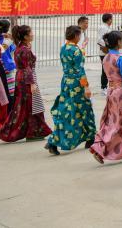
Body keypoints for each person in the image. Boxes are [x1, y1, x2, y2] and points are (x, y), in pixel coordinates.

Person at [0, 25, 52, 142]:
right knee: (32, 106)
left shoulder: (20, 47)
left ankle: (9, 130)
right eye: (30, 32)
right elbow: (27, 68)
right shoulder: (25, 50)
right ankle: (33, 132)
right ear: (25, 36)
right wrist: (32, 84)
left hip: (20, 78)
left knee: (21, 106)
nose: (33, 34)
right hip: (27, 79)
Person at [44, 25, 96, 155]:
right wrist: (86, 86)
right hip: (77, 85)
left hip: (66, 83)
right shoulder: (76, 51)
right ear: (76, 36)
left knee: (66, 110)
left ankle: (89, 137)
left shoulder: (64, 48)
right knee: (84, 110)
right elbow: (80, 70)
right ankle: (55, 140)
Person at [90, 31, 122, 164]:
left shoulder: (106, 57)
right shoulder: (121, 59)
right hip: (121, 92)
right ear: (118, 42)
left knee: (112, 122)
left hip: (111, 91)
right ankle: (103, 149)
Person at [0, 19, 16, 111]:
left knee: (2, 88)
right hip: (7, 66)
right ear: (8, 28)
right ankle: (10, 110)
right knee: (10, 89)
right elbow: (13, 49)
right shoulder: (7, 40)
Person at [97, 13, 114, 95]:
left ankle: (106, 86)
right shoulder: (103, 28)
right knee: (105, 70)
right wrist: (108, 46)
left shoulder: (106, 27)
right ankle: (103, 87)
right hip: (104, 53)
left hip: (107, 52)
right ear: (109, 19)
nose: (112, 20)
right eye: (111, 19)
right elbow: (100, 40)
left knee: (107, 70)